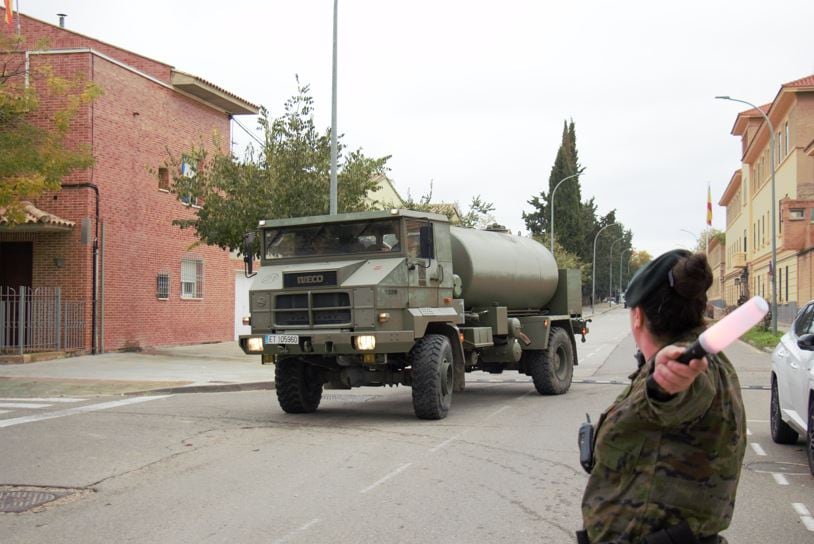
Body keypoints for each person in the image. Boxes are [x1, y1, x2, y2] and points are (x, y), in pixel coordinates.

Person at [578, 249, 746, 544]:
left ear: (638, 316)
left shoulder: (689, 365)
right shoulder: (707, 357)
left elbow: (684, 395)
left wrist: (663, 385)